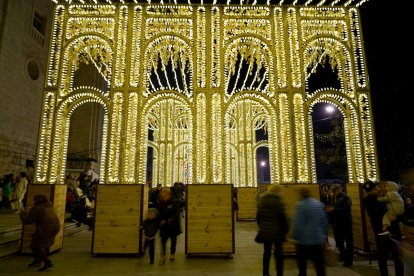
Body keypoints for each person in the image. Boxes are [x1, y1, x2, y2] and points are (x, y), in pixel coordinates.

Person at [362, 181, 404, 276]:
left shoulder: (386, 195)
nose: (377, 189)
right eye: (374, 189)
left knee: (397, 257)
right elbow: (379, 214)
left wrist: (397, 216)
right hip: (381, 233)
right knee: (382, 257)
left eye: (377, 187)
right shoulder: (368, 200)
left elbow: (399, 212)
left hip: (394, 231)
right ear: (368, 192)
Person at [292, 187, 328, 276]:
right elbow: (324, 220)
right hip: (317, 239)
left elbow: (298, 223)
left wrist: (294, 236)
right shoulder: (318, 204)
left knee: (302, 264)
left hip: (303, 240)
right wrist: (323, 235)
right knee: (319, 264)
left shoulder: (300, 205)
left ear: (301, 195)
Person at [19, 194, 61, 271]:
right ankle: (37, 260)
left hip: (45, 229)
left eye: (34, 199)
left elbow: (27, 221)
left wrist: (23, 213)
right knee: (38, 242)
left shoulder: (37, 208)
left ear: (37, 200)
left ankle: (47, 262)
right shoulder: (49, 207)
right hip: (54, 228)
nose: (33, 201)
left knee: (34, 246)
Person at [256, 184, 288, 276]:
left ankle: (265, 272)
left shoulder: (263, 201)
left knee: (267, 252)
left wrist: (261, 226)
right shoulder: (279, 202)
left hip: (266, 232)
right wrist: (285, 231)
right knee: (278, 254)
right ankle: (279, 273)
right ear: (278, 192)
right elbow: (283, 218)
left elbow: (259, 216)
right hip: (277, 233)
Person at [326, 183, 353, 266]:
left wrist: (333, 210)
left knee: (349, 242)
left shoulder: (345, 198)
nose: (334, 193)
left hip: (346, 223)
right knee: (339, 241)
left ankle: (349, 260)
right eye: (333, 191)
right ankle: (343, 255)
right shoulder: (333, 198)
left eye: (336, 190)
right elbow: (333, 207)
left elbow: (346, 209)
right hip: (336, 223)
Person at [156, 188, 182, 264]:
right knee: (163, 241)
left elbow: (177, 213)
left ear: (169, 195)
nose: (163, 197)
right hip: (164, 226)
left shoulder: (174, 202)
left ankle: (172, 253)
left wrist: (168, 220)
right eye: (162, 196)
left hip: (172, 225)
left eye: (164, 195)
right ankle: (163, 256)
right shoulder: (160, 203)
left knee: (173, 240)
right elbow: (158, 213)